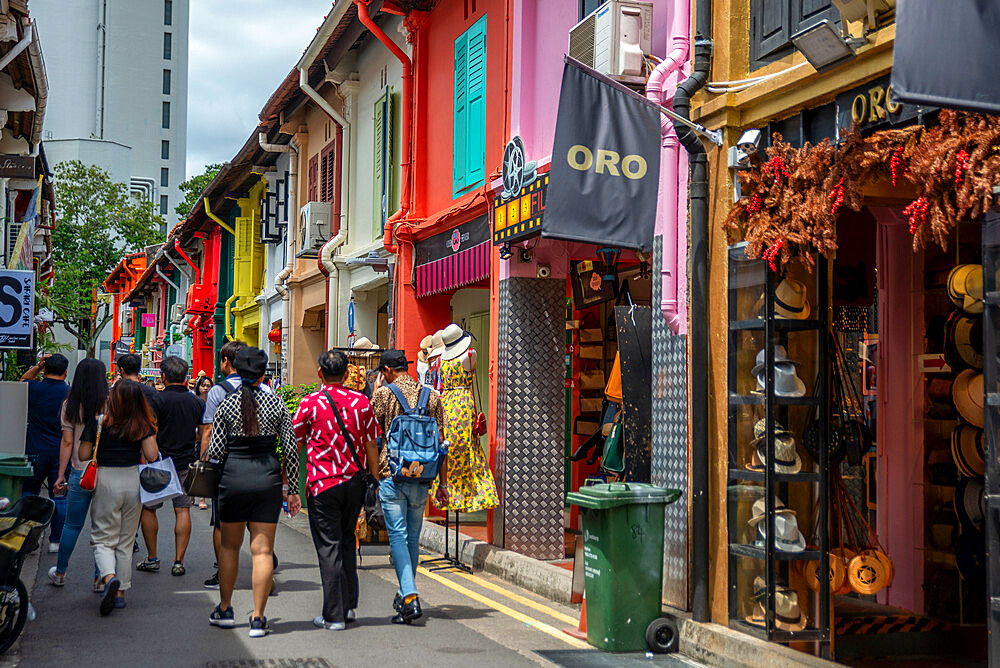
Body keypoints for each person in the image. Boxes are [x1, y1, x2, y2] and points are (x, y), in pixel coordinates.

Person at [204, 347, 299, 637]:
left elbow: (216, 451)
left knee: (229, 548)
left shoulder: (226, 405)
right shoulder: (277, 404)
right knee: (263, 551)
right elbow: (292, 449)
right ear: (263, 375)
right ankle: (258, 618)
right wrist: (292, 489)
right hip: (267, 479)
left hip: (233, 478)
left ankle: (225, 609)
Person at [292, 350, 381, 631]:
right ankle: (348, 604)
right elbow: (371, 444)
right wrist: (373, 479)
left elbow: (296, 442)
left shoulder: (309, 403)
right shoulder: (362, 402)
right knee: (346, 541)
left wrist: (289, 479)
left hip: (322, 484)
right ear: (347, 375)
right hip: (354, 482)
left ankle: (334, 615)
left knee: (328, 546)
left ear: (320, 373)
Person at [371, 349, 447, 624]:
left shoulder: (384, 394)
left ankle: (411, 595)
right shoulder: (432, 396)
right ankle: (404, 593)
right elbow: (442, 444)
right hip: (423, 476)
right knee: (413, 537)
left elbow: (372, 431)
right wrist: (443, 482)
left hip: (392, 474)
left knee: (398, 537)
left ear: (387, 371)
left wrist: (377, 391)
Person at [79, 380, 159, 615]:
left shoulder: (99, 422)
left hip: (105, 479)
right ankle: (121, 592)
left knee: (103, 538)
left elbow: (83, 454)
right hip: (133, 480)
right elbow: (152, 455)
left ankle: (109, 577)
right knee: (126, 540)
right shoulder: (143, 423)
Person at [136, 356, 204, 576]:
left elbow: (149, 431)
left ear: (163, 376)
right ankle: (178, 561)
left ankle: (152, 557)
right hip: (185, 460)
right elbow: (202, 434)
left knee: (149, 508)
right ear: (186, 377)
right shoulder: (197, 402)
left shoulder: (156, 400)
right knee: (183, 510)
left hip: (158, 461)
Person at [49, 358, 109, 588]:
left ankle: (61, 572)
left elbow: (67, 441)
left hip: (79, 472)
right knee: (102, 528)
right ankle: (99, 577)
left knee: (72, 526)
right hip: (105, 472)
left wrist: (60, 474)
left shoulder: (70, 404)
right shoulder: (109, 403)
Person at [20, 353, 70, 553]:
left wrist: (38, 367)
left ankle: (29, 539)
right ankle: (55, 541)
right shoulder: (69, 394)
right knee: (60, 496)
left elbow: (23, 380)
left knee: (29, 493)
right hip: (60, 452)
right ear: (66, 372)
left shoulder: (34, 388)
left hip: (34, 450)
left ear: (45, 370)